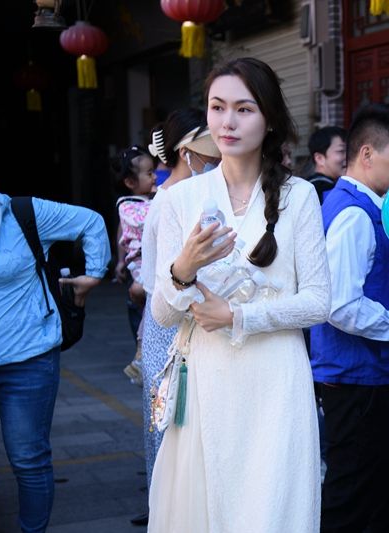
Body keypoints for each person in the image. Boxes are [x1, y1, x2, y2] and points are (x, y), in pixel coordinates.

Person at [148, 57, 330, 532]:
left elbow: (318, 301)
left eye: (244, 109)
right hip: (206, 379)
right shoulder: (179, 200)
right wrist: (183, 268)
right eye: (217, 107)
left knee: (271, 511)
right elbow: (162, 315)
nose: (227, 121)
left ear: (269, 119)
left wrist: (238, 316)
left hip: (276, 382)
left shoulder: (299, 196)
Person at [310, 103, 389, 533]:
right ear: (367, 154)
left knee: (372, 491)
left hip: (363, 376)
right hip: (358, 379)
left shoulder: (361, 206)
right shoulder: (354, 214)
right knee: (352, 496)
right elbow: (340, 305)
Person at [0, 172, 110, 533]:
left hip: (28, 359)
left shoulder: (23, 213)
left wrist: (93, 274)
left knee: (28, 459)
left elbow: (91, 222)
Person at [135, 108, 221, 526]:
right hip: (169, 324)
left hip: (193, 319)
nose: (216, 157)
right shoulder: (169, 200)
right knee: (170, 420)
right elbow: (155, 279)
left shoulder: (196, 194)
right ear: (187, 151)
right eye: (208, 149)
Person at [113, 145, 156, 386]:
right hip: (140, 264)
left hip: (147, 262)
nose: (154, 177)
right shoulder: (127, 204)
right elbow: (145, 220)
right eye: (149, 173)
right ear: (130, 182)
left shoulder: (149, 198)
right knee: (150, 306)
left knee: (150, 307)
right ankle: (141, 352)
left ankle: (143, 354)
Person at [306, 126, 347, 204]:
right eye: (341, 151)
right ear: (319, 158)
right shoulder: (322, 190)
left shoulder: (308, 186)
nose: (348, 157)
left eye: (349, 151)